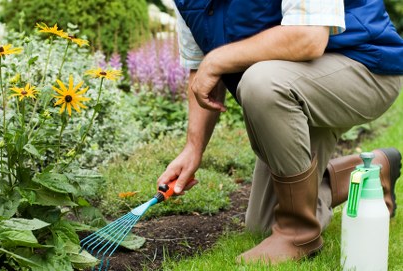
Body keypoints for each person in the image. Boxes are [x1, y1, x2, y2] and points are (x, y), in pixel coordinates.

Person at [157, 0, 403, 264]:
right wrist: (193, 148)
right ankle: (368, 176)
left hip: (365, 65)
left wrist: (216, 59)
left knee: (261, 82)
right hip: (295, 80)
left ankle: (298, 232)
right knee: (263, 226)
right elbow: (202, 72)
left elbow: (308, 38)